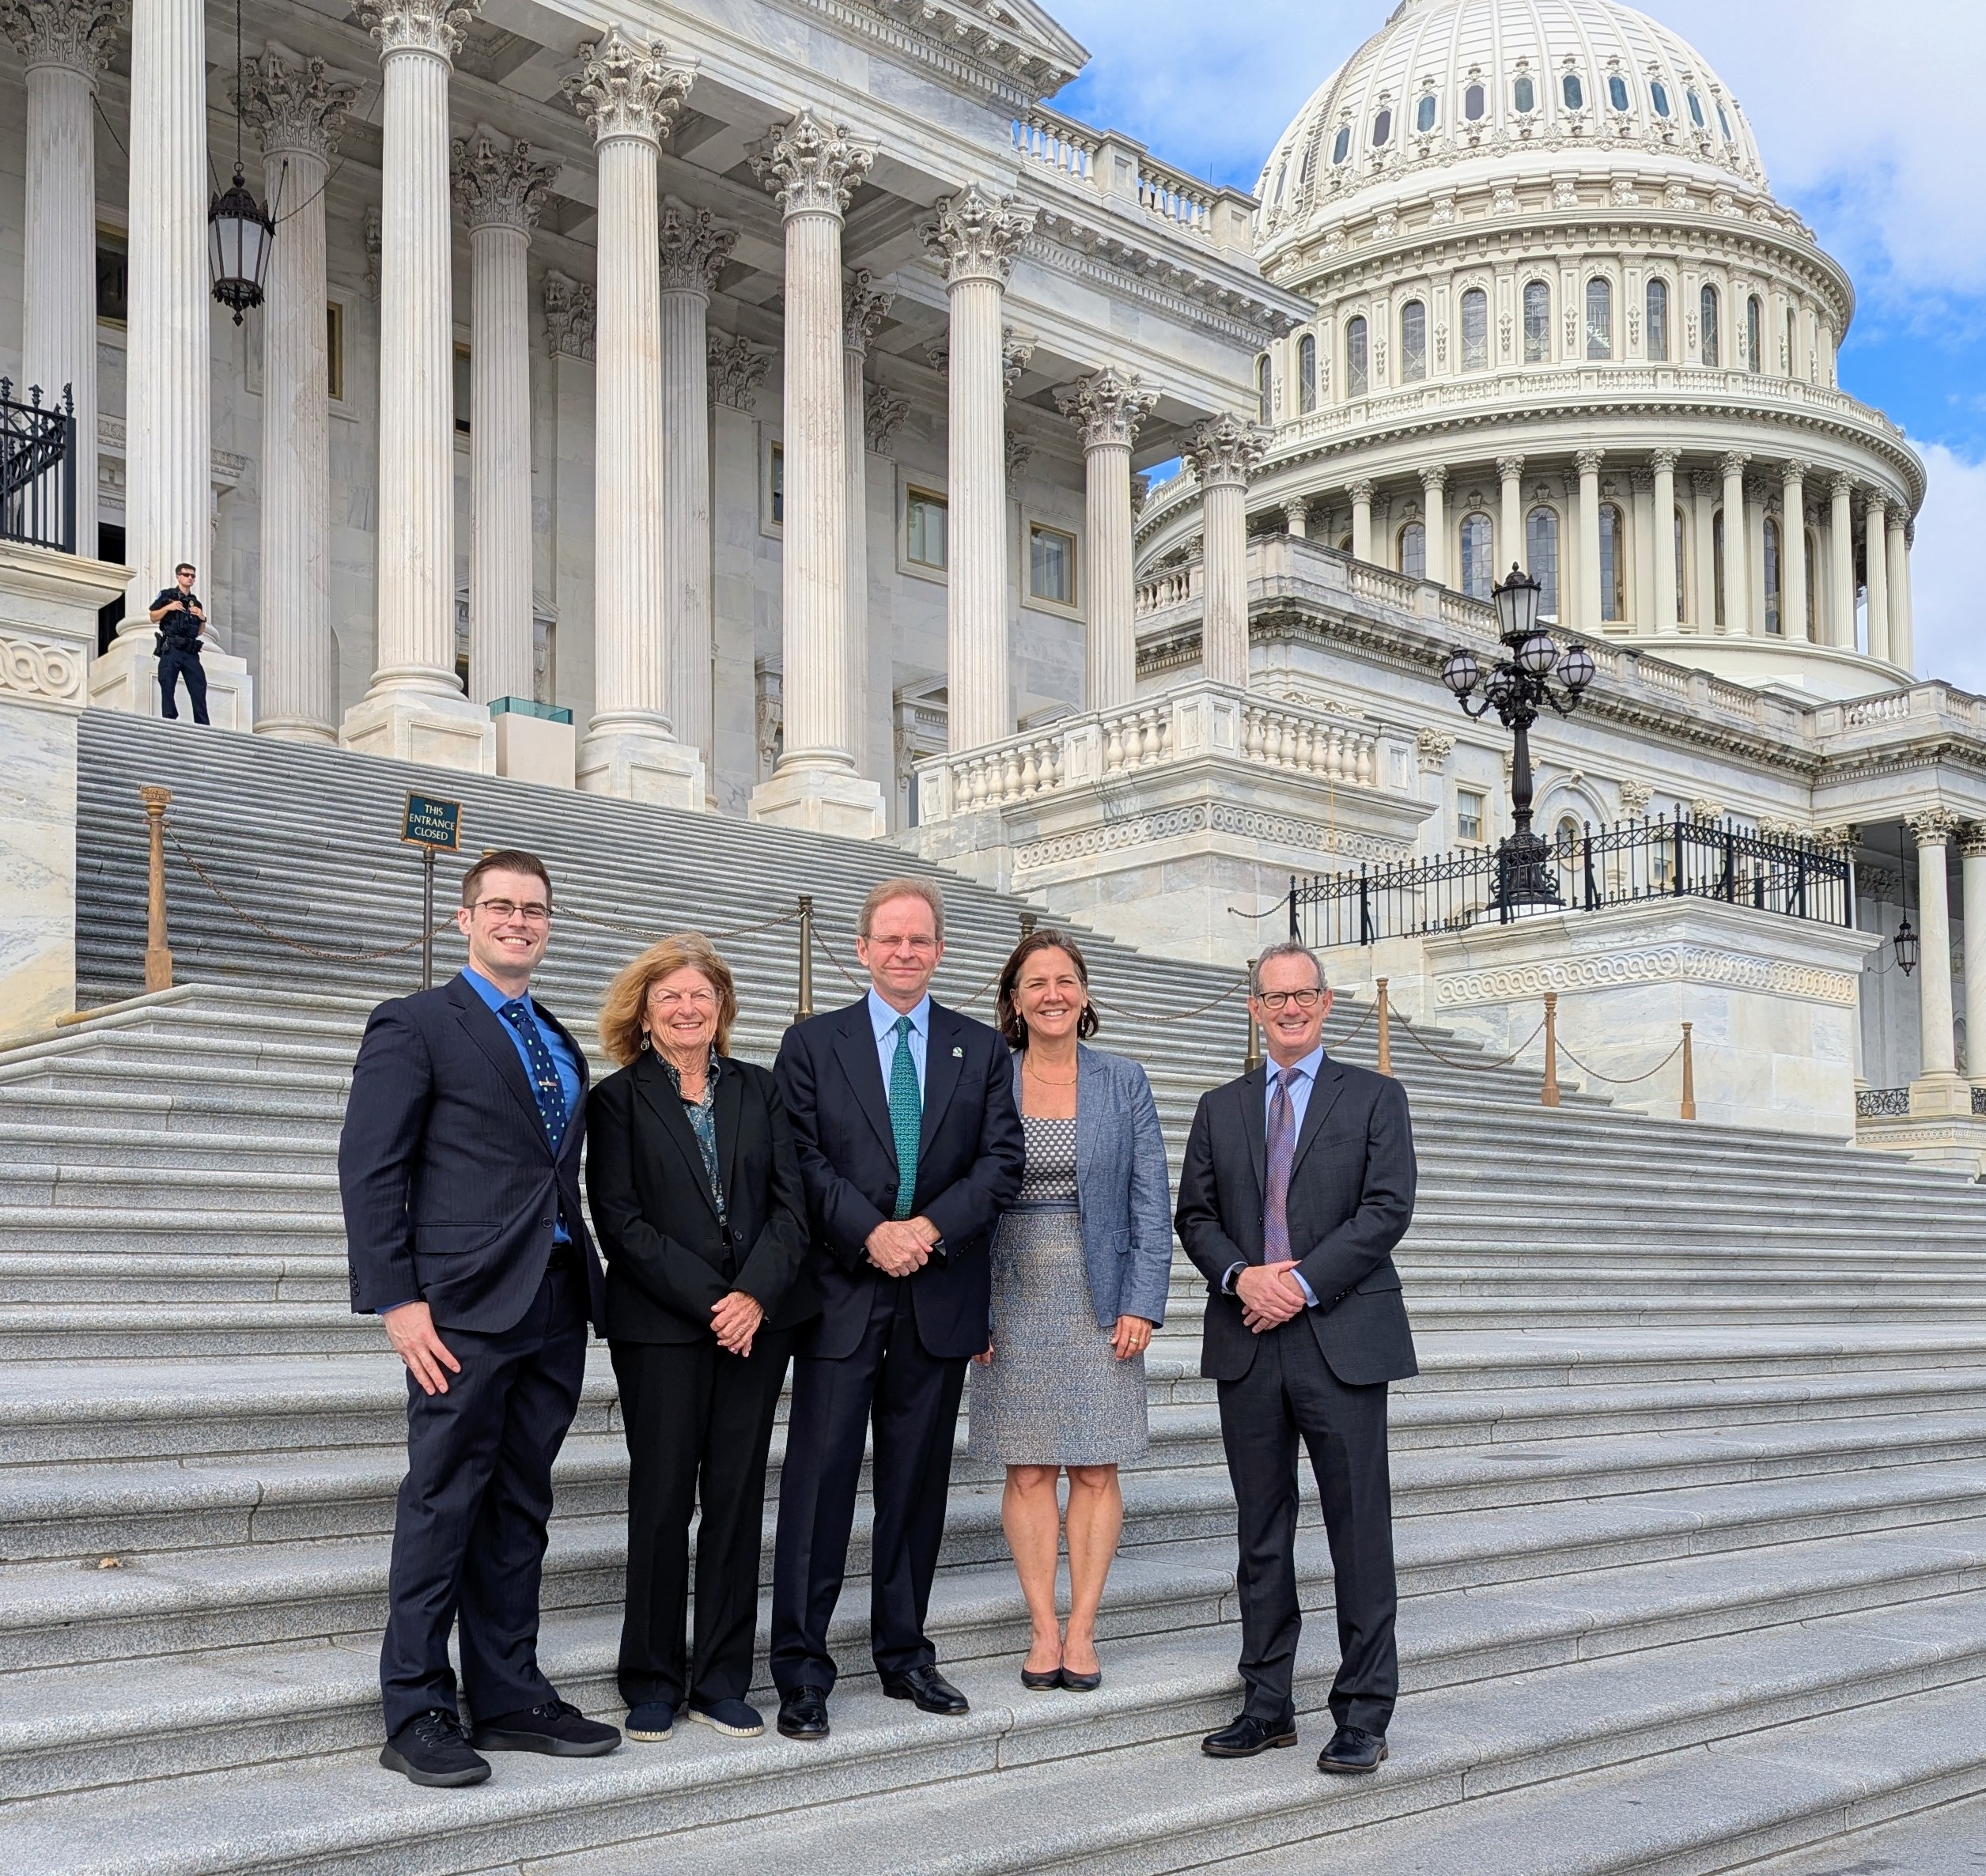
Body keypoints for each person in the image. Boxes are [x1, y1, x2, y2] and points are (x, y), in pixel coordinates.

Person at [339, 849, 621, 1787]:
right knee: (444, 1496)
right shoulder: (416, 1023)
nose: (518, 920)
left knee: (521, 1500)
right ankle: (416, 1703)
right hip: (457, 1305)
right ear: (464, 918)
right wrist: (398, 1299)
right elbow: (371, 1165)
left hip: (553, 1293)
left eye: (534, 908)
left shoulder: (556, 1034)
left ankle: (507, 1691)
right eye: (499, 906)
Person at [769, 876, 1025, 1742]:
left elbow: (1001, 1162)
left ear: (940, 950)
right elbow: (796, 1157)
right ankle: (802, 1669)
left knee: (916, 1488)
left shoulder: (981, 1048)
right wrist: (870, 1231)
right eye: (891, 939)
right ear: (864, 947)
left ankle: (904, 1649)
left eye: (921, 940)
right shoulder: (811, 1042)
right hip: (843, 1291)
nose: (905, 952)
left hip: (937, 1294)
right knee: (818, 1487)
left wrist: (926, 1230)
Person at [1175, 940, 1417, 1777]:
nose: (1288, 1007)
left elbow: (1387, 1209)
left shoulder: (1376, 1096)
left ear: (1326, 1002)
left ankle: (1361, 1711)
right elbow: (1195, 1216)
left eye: (1303, 994)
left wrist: (1301, 1282)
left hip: (1340, 1336)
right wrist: (1245, 1277)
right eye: (1273, 995)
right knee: (1262, 1533)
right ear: (1254, 1007)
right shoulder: (1220, 1105)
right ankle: (1267, 1702)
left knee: (1359, 1532)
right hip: (1248, 1341)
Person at [586, 933, 813, 1746]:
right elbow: (621, 1220)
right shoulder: (615, 1100)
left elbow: (794, 1206)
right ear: (643, 1012)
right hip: (662, 1328)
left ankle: (721, 1678)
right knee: (660, 1501)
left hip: (757, 1325)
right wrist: (714, 1298)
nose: (688, 1007)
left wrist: (753, 1292)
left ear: (722, 1007)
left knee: (735, 1499)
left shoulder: (762, 1088)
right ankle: (650, 1677)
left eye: (702, 995)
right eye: (670, 996)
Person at [967, 929, 1171, 1693]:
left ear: (1083, 993)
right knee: (1026, 1471)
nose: (1051, 993)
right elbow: (961, 1198)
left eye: (1064, 980)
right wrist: (968, 1310)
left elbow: (1152, 1200)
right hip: (1009, 1293)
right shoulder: (990, 1079)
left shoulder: (1123, 1080)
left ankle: (1083, 1629)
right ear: (1014, 1002)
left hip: (1101, 1295)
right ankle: (1041, 1628)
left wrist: (1142, 1301)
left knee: (1093, 1467)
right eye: (1034, 983)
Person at [148, 562, 210, 725]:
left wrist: (203, 618)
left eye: (193, 576)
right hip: (172, 648)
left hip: (190, 652)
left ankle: (203, 725)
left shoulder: (195, 603)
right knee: (167, 684)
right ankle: (169, 720)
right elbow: (153, 617)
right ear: (178, 576)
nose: (190, 578)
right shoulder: (167, 595)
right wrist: (169, 607)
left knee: (199, 687)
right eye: (186, 575)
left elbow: (200, 631)